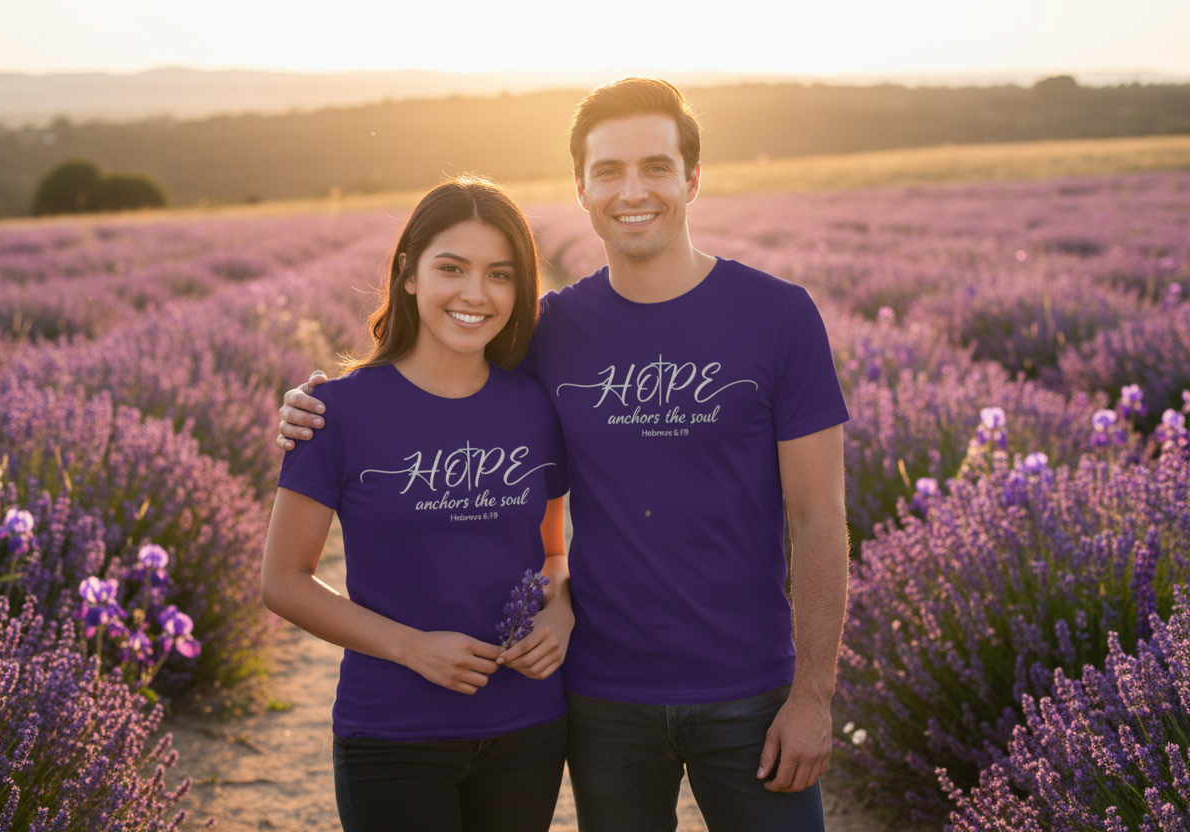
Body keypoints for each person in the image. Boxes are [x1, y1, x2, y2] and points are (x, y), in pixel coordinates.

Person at [278, 79, 850, 832]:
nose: (632, 190)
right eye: (608, 171)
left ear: (692, 178)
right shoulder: (548, 331)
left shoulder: (778, 316)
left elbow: (819, 518)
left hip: (752, 693)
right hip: (602, 698)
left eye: (655, 166)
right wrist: (318, 403)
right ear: (581, 188)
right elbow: (440, 384)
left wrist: (813, 696)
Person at [261, 176, 574, 832]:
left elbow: (551, 553)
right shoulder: (335, 412)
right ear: (408, 274)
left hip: (529, 728)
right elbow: (284, 581)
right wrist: (411, 648)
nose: (475, 293)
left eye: (499, 274)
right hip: (393, 734)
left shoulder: (535, 407)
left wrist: (561, 612)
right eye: (451, 268)